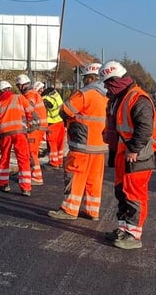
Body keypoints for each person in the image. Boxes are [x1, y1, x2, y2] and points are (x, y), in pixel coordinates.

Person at [100, 60, 156, 250]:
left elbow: (145, 128)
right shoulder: (119, 98)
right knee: (122, 192)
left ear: (115, 80)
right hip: (123, 155)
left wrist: (133, 148)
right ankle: (124, 228)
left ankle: (134, 234)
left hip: (138, 156)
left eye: (107, 83)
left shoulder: (138, 98)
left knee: (135, 195)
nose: (106, 87)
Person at [48, 62, 108, 222]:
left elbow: (65, 111)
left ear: (90, 78)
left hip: (82, 145)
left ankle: (69, 209)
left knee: (75, 176)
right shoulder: (107, 95)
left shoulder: (84, 94)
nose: (83, 81)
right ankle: (92, 211)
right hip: (100, 146)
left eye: (85, 78)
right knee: (94, 180)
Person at [0, 80, 34, 196]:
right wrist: (29, 124)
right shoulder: (18, 98)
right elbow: (30, 112)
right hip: (19, 132)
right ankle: (26, 188)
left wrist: (0, 136)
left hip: (4, 134)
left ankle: (3, 183)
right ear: (9, 89)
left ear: (0, 91)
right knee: (23, 158)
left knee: (4, 158)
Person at [15, 74, 48, 186]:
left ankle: (37, 176)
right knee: (32, 151)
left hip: (35, 127)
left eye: (19, 86)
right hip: (39, 125)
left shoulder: (29, 95)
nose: (18, 88)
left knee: (31, 151)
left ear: (23, 85)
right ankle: (33, 174)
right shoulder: (33, 93)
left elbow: (29, 107)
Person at [41, 83, 66, 168]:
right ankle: (60, 161)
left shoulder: (45, 98)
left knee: (52, 143)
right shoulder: (55, 93)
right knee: (60, 143)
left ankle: (54, 163)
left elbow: (44, 109)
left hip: (52, 124)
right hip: (61, 122)